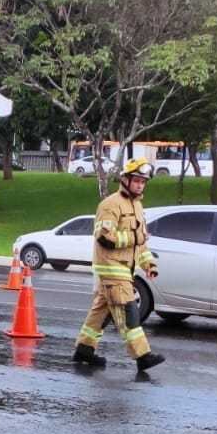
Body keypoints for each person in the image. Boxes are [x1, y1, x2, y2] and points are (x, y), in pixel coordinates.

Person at [73, 159, 165, 375]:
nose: (140, 185)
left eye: (143, 181)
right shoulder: (110, 204)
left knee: (100, 313)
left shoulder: (137, 206)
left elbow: (140, 242)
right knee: (128, 311)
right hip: (112, 269)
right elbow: (105, 238)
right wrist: (136, 236)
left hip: (124, 270)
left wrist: (148, 263)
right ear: (125, 180)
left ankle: (84, 351)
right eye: (137, 180)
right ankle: (143, 356)